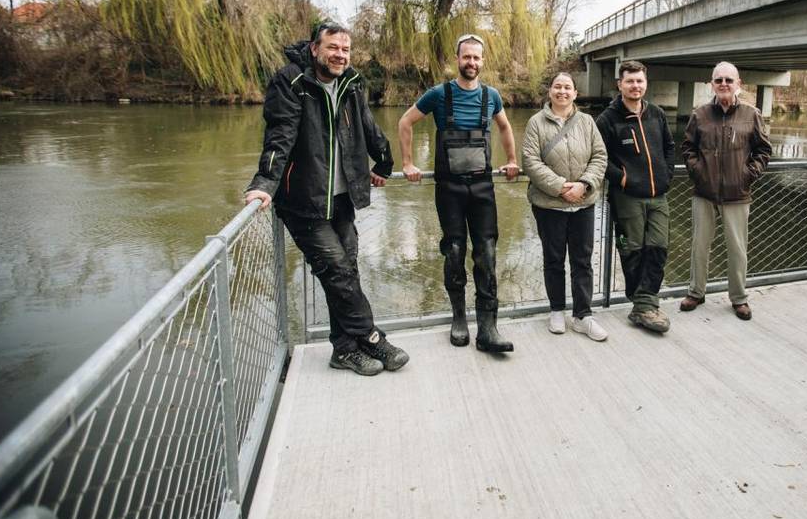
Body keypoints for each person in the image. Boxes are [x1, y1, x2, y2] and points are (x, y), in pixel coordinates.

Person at [245, 22, 408, 376]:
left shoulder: (349, 83)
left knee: (346, 270)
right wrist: (264, 182)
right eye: (333, 47)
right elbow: (280, 136)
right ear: (315, 48)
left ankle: (344, 350)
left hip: (341, 198)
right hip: (303, 200)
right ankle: (370, 336)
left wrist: (384, 161)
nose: (340, 55)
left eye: (346, 50)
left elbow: (368, 126)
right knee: (336, 268)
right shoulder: (290, 82)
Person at [397, 33, 520, 353]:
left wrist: (511, 160)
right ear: (457, 59)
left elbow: (505, 127)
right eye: (467, 57)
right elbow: (405, 122)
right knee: (453, 251)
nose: (472, 63)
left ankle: (488, 326)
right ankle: (458, 319)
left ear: (483, 61)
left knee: (487, 252)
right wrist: (408, 163)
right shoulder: (439, 94)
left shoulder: (491, 95)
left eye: (477, 58)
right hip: (449, 188)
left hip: (482, 187)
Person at [680, 62, 774, 320]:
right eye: (719, 80)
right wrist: (698, 171)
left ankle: (739, 298)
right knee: (700, 246)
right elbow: (687, 148)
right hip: (704, 193)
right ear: (712, 84)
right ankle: (696, 292)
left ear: (738, 84)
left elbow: (764, 150)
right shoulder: (700, 114)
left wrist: (748, 174)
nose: (723, 84)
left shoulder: (750, 114)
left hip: (737, 194)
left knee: (737, 249)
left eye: (728, 80)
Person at [522, 72, 609, 341]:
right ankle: (557, 310)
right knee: (554, 259)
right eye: (557, 87)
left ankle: (583, 315)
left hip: (583, 203)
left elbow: (600, 155)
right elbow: (530, 160)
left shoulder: (586, 122)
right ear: (550, 92)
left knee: (583, 261)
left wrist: (583, 184)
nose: (562, 91)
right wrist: (561, 187)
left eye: (567, 87)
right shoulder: (536, 122)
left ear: (575, 93)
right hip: (549, 205)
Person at [595, 59, 675, 333]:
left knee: (658, 247)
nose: (635, 86)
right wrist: (624, 178)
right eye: (630, 81)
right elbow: (599, 159)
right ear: (620, 84)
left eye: (639, 80)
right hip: (627, 197)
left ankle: (647, 303)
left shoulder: (657, 114)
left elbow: (669, 146)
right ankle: (643, 306)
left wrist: (665, 176)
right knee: (633, 250)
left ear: (646, 83)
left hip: (658, 195)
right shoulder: (608, 119)